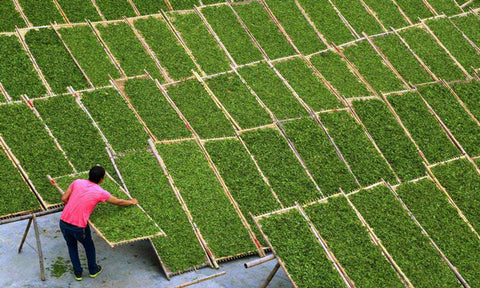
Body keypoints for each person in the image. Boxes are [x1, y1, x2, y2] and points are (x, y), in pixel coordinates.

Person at [59, 166, 138, 281]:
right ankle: (93, 270)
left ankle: (78, 273)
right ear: (101, 179)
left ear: (89, 175)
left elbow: (64, 198)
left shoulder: (77, 182)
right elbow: (118, 202)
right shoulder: (100, 192)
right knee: (89, 246)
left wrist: (74, 207)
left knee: (71, 246)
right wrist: (131, 201)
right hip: (79, 227)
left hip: (63, 221)